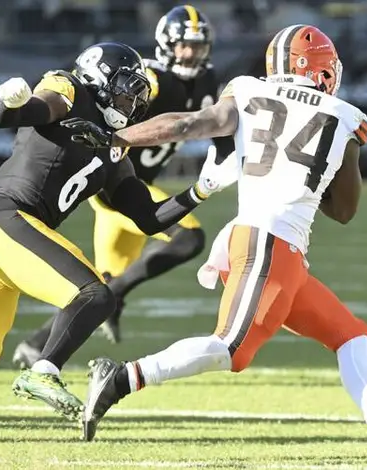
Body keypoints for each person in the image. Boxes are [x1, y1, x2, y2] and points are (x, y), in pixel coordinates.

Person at [64, 25, 367, 463]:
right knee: (231, 349)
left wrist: (117, 137)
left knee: (351, 335)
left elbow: (190, 124)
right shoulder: (346, 116)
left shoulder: (248, 91)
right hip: (269, 244)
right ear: (321, 70)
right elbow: (344, 210)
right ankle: (121, 377)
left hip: (266, 246)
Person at [0, 41, 235, 461]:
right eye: (126, 90)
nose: (131, 103)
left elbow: (148, 218)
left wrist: (202, 188)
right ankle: (43, 370)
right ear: (99, 79)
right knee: (95, 295)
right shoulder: (69, 89)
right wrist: (9, 102)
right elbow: (16, 114)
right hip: (4, 220)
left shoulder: (115, 148)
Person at [12, 5, 235, 366]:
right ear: (166, 44)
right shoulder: (153, 79)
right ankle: (74, 329)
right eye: (183, 45)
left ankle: (35, 345)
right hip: (114, 187)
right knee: (188, 237)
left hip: (134, 188)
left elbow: (219, 129)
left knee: (104, 289)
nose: (190, 54)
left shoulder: (208, 82)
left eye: (197, 46)